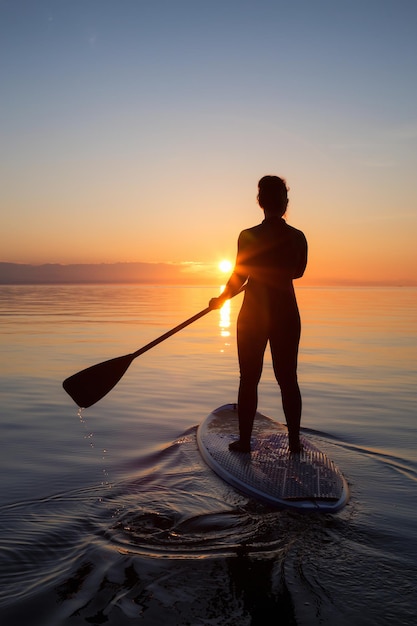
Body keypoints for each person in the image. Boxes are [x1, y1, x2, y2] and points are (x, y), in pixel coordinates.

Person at [209, 175, 307, 453]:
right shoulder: (298, 237)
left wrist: (221, 299)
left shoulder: (247, 235)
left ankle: (244, 441)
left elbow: (239, 277)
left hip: (253, 314)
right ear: (285, 202)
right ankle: (295, 443)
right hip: (286, 312)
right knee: (288, 379)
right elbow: (298, 272)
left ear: (260, 202)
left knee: (248, 378)